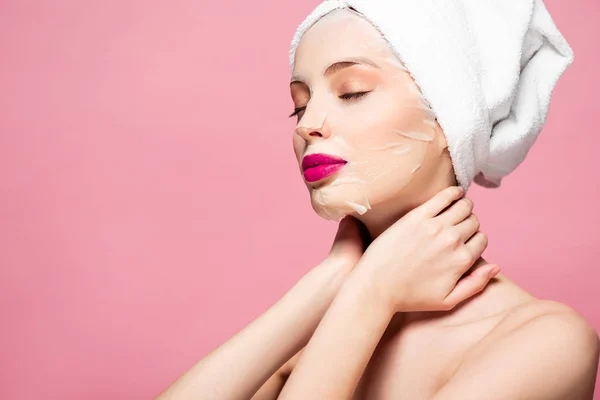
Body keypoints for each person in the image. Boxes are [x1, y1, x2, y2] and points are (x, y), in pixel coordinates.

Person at [156, 2, 599, 399]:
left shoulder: (543, 343)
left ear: (452, 119)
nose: (307, 124)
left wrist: (368, 295)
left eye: (352, 92)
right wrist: (331, 284)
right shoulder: (318, 329)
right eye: (300, 105)